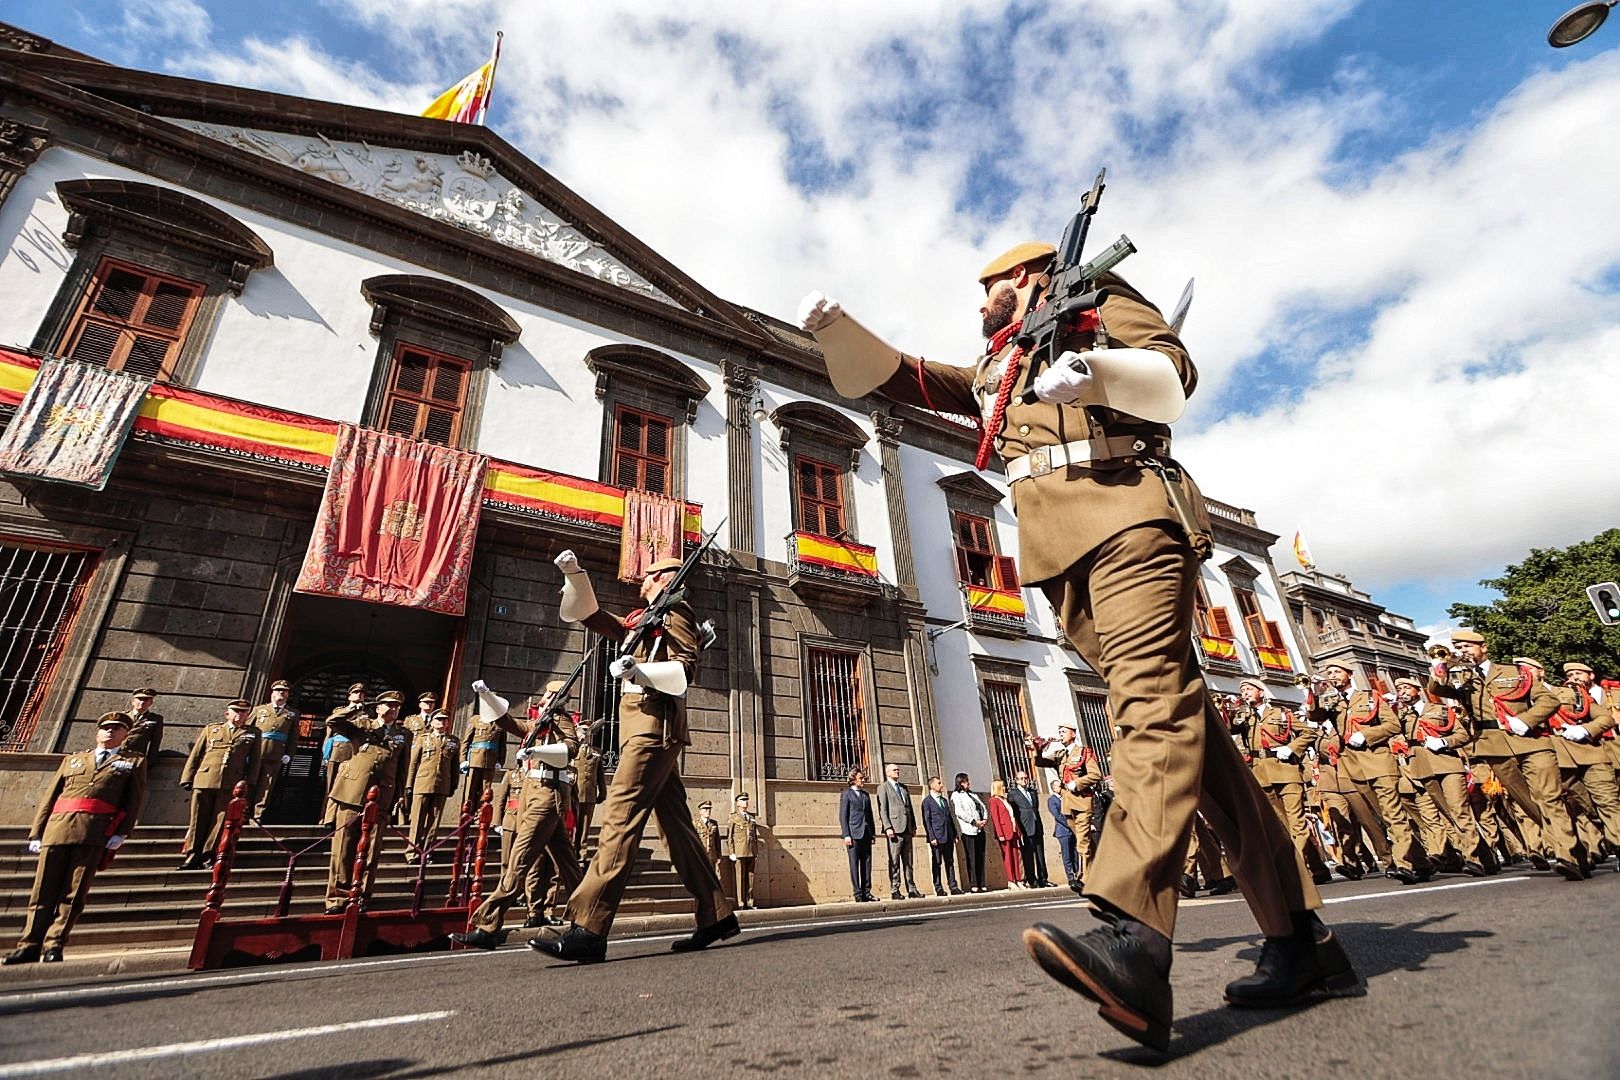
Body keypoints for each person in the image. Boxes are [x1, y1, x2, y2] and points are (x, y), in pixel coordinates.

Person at [802, 241, 1354, 1052]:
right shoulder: (1001, 366)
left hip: (1128, 516)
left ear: (1025, 278)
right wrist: (840, 331)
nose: (979, 301)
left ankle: (1133, 933)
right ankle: (1303, 942)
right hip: (1061, 554)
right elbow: (908, 378)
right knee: (1195, 741)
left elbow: (1171, 370)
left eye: (987, 287)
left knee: (1150, 710)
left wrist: (1095, 372)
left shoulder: (1094, 301)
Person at [530, 551, 734, 963]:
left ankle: (589, 927)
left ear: (662, 577)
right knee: (677, 828)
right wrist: (575, 575)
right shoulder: (644, 618)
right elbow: (589, 615)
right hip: (641, 732)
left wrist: (638, 673)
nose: (640, 581)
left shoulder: (676, 611)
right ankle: (716, 915)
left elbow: (684, 669)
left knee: (620, 819)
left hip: (652, 731)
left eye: (647, 575)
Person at [1430, 631, 1582, 880]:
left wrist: (1526, 721)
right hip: (1494, 746)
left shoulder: (1514, 672)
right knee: (1526, 802)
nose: (1462, 650)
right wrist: (1440, 666)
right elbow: (1438, 688)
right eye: (1458, 646)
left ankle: (1568, 855)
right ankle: (1575, 845)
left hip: (1530, 740)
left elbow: (1548, 701)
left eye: (1467, 645)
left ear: (1484, 647)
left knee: (1548, 797)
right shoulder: (1461, 678)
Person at [5, 712, 146, 965]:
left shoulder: (132, 762)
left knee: (74, 892)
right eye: (105, 728)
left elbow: (133, 800)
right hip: (57, 829)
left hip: (93, 832)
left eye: (116, 729)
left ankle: (54, 944)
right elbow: (51, 797)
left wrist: (121, 832)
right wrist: (37, 832)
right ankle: (29, 944)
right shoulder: (74, 760)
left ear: (126, 735)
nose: (110, 732)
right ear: (97, 732)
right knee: (42, 891)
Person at [453, 679, 583, 949]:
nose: (543, 697)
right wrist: (486, 696)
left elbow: (571, 748)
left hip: (547, 795)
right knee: (568, 865)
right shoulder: (539, 723)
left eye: (549, 694)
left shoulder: (562, 720)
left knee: (518, 859)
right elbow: (508, 723)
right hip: (531, 794)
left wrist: (539, 750)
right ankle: (590, 913)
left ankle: (488, 925)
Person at [1310, 662, 1430, 884]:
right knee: (1383, 817)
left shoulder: (1370, 696)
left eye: (1337, 672)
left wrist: (1368, 735)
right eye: (1330, 673)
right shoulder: (1331, 701)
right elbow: (1315, 715)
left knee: (1393, 813)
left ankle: (1404, 865)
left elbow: (1393, 725)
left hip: (1379, 762)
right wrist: (1315, 693)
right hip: (1354, 767)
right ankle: (1422, 861)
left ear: (1348, 674)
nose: (1333, 676)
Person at [323, 690, 412, 913]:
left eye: (396, 707)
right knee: (344, 847)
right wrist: (354, 708)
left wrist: (399, 796)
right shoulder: (363, 726)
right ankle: (337, 898)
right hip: (353, 793)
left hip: (382, 795)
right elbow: (333, 722)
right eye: (388, 705)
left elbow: (402, 767)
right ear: (378, 708)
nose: (392, 709)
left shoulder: (403, 734)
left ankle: (362, 895)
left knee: (372, 851)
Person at [1236, 680, 1332, 886]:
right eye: (1242, 690)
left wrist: (1292, 748)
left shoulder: (1281, 713)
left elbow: (1308, 732)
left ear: (1261, 692)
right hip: (1262, 774)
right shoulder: (1244, 717)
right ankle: (1318, 867)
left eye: (1248, 689)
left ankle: (1297, 870)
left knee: (1296, 821)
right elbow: (1229, 728)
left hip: (1286, 771)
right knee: (1283, 826)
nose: (1245, 693)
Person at [177, 699, 263, 870]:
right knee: (197, 819)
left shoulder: (253, 733)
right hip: (205, 779)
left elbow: (255, 760)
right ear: (227, 714)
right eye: (236, 711)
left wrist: (250, 782)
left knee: (220, 820)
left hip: (230, 782)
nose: (240, 715)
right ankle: (192, 854)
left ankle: (209, 854)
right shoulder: (212, 729)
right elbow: (196, 754)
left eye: (243, 712)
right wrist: (187, 777)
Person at [1552, 662, 1620, 862]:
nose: (1574, 677)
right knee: (1599, 802)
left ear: (1591, 674)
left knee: (1611, 802)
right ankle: (1600, 844)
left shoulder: (1613, 692)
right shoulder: (1571, 696)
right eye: (1570, 674)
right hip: (1592, 752)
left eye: (1579, 673)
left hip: (1616, 751)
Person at [1028, 722, 1103, 888]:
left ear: (1073, 734)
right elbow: (1040, 762)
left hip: (1082, 802)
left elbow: (1096, 774)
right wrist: (1038, 747)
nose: (1060, 734)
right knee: (1083, 841)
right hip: (1067, 803)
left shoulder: (1084, 752)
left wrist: (1077, 783)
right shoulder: (1060, 754)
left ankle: (1083, 879)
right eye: (1059, 732)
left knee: (1082, 841)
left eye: (1063, 732)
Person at [405, 710, 460, 862]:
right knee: (417, 820)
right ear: (432, 722)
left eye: (444, 720)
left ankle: (428, 851)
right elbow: (413, 763)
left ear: (448, 723)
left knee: (434, 822)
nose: (441, 723)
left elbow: (455, 767)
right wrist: (409, 784)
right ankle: (412, 852)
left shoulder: (454, 741)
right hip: (422, 783)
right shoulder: (424, 739)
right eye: (438, 720)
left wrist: (453, 786)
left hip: (442, 784)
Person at [249, 679, 298, 821]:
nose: (281, 693)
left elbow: (293, 737)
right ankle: (243, 813)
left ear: (288, 695)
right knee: (250, 782)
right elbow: (247, 730)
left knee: (266, 786)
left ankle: (257, 816)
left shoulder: (292, 714)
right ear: (272, 693)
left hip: (276, 754)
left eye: (284, 691)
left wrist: (289, 754)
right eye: (278, 690)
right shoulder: (259, 710)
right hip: (256, 752)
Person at [876, 762, 923, 899]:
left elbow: (909, 808)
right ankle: (895, 889)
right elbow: (883, 809)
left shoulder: (903, 788)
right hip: (895, 829)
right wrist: (888, 827)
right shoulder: (883, 788)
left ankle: (912, 889)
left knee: (908, 862)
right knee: (894, 861)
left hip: (907, 828)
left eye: (898, 770)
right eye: (895, 770)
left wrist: (913, 825)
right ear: (888, 772)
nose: (898, 772)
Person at [322, 683, 366, 811]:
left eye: (362, 693)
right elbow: (329, 733)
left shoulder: (367, 712)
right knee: (331, 786)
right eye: (356, 692)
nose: (359, 694)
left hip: (356, 750)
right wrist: (325, 753)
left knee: (350, 786)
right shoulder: (339, 711)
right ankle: (326, 817)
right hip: (338, 750)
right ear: (349, 696)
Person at [1009, 769, 1051, 887]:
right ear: (1016, 781)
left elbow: (1035, 808)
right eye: (1021, 778)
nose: (1024, 780)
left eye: (1026, 778)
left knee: (1040, 855)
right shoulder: (1013, 794)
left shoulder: (1032, 792)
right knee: (1028, 855)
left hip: (1037, 826)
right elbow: (1015, 812)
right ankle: (1032, 880)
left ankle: (1044, 879)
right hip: (1025, 827)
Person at [840, 768, 876, 902]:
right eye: (861, 778)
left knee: (867, 864)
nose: (864, 780)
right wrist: (846, 835)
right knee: (854, 864)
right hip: (853, 834)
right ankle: (858, 893)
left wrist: (872, 833)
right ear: (854, 779)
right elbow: (843, 816)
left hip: (866, 834)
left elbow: (870, 815)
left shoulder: (866, 795)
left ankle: (867, 892)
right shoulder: (846, 794)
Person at [921, 775, 960, 896]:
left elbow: (949, 818)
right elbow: (927, 820)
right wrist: (931, 837)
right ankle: (938, 887)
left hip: (948, 835)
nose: (941, 785)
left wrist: (954, 834)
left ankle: (953, 886)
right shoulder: (927, 802)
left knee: (950, 861)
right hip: (937, 837)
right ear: (932, 785)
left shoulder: (944, 800)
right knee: (937, 862)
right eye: (939, 783)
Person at [950, 773, 989, 893]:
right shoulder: (956, 795)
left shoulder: (973, 794)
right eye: (966, 781)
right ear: (960, 782)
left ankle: (982, 883)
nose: (969, 783)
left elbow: (982, 807)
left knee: (980, 857)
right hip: (968, 830)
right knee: (971, 857)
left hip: (980, 829)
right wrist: (973, 822)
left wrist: (984, 819)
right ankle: (973, 884)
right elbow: (959, 812)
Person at [572, 726, 605, 854]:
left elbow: (600, 776)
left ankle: (582, 854)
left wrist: (603, 792)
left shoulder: (596, 752)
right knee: (574, 825)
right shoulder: (573, 750)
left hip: (589, 795)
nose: (585, 735)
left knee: (585, 826)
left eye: (588, 732)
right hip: (574, 793)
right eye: (583, 732)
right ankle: (572, 852)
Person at [727, 792, 761, 909]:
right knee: (740, 877)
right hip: (739, 851)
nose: (745, 802)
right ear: (738, 803)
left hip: (751, 851)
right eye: (742, 800)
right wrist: (732, 852)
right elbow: (730, 836)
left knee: (750, 878)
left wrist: (756, 851)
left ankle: (750, 901)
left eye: (746, 800)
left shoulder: (751, 817)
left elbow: (754, 836)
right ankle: (741, 902)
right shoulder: (733, 817)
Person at [989, 779, 1025, 889]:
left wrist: (1018, 831)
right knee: (1008, 857)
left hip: (1012, 831)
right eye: (1002, 786)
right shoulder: (994, 801)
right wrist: (1000, 833)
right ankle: (1011, 880)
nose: (1004, 788)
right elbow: (996, 818)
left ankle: (1018, 879)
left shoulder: (1005, 800)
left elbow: (1012, 816)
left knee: (1015, 856)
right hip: (1004, 832)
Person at [1049, 779, 1079, 888]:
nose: (1061, 787)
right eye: (1058, 786)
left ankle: (1078, 873)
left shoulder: (1066, 797)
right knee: (1067, 855)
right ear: (1053, 788)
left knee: (1075, 853)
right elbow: (1057, 815)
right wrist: (1069, 823)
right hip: (1063, 831)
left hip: (1072, 830)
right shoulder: (1052, 800)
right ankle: (1070, 877)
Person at [121, 688, 163, 758]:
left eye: (146, 700)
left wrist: (150, 763)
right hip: (116, 755)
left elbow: (155, 743)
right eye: (140, 699)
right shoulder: (123, 716)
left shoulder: (155, 719)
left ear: (151, 703)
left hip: (136, 758)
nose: (142, 702)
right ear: (133, 701)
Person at [696, 800, 724, 891]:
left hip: (712, 855)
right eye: (705, 809)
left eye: (709, 809)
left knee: (712, 878)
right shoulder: (695, 823)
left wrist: (719, 855)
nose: (708, 811)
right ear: (700, 811)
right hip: (700, 855)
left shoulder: (714, 823)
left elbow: (717, 840)